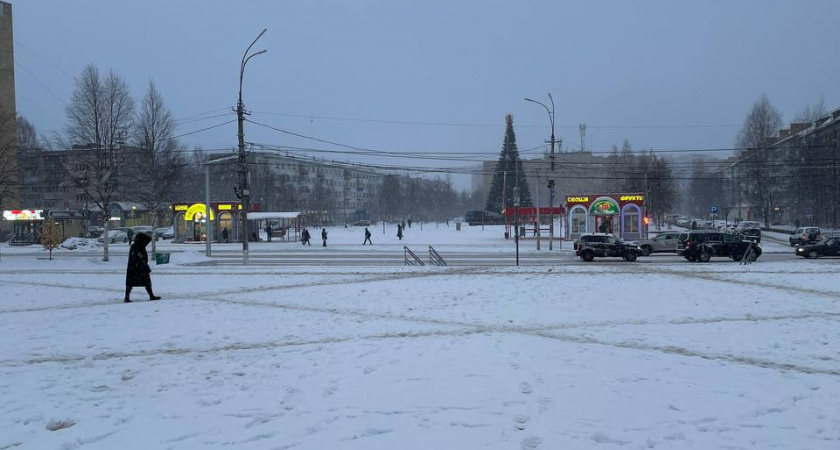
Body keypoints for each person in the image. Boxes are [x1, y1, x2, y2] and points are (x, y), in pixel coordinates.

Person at [124, 233, 160, 303]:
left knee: (145, 282)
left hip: (137, 268)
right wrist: (144, 266)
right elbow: (139, 258)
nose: (146, 243)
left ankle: (151, 295)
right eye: (146, 242)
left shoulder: (138, 246)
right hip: (136, 268)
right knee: (132, 283)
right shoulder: (137, 247)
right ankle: (126, 297)